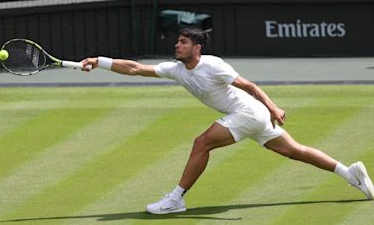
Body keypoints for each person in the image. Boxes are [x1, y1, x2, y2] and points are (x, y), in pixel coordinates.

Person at [81, 27, 374, 214]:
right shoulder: (176, 69)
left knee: (201, 143)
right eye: (177, 42)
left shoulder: (213, 65)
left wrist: (273, 107)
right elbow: (134, 69)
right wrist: (100, 60)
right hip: (252, 116)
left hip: (248, 112)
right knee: (295, 151)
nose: (177, 46)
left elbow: (249, 86)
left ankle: (176, 199)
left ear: (197, 47)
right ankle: (350, 173)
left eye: (183, 43)